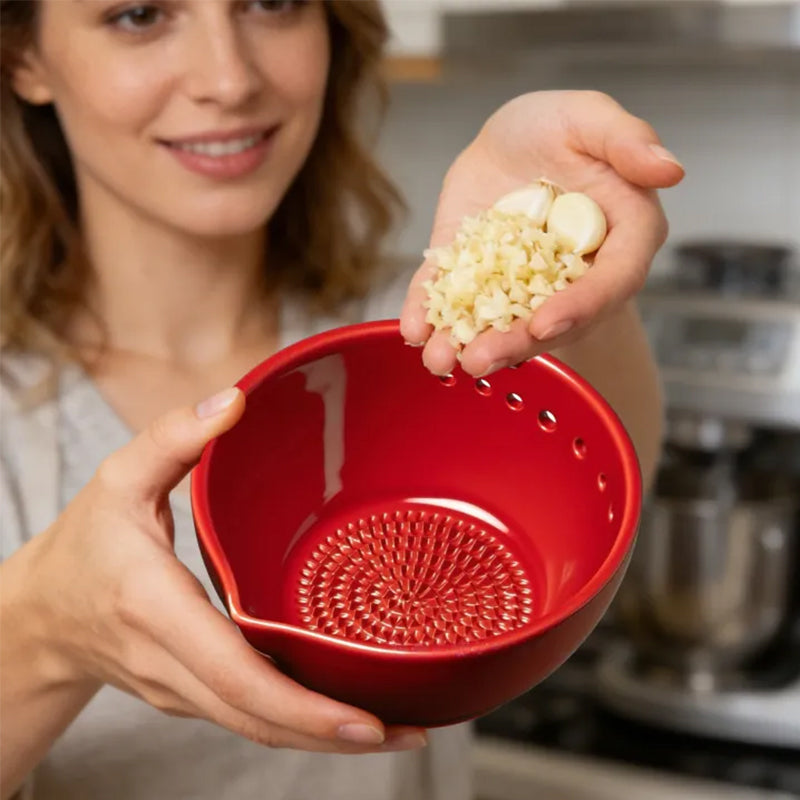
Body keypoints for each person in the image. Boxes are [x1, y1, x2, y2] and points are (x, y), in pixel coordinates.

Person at [0, 1, 684, 798]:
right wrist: (44, 632)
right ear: (25, 59)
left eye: (272, 1)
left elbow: (605, 486)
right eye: (140, 14)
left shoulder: (433, 324)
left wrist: (570, 237)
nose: (229, 79)